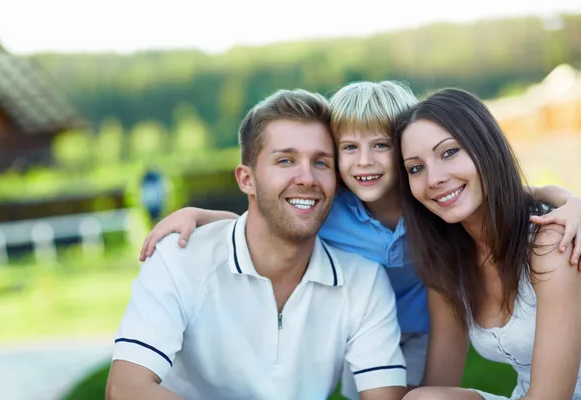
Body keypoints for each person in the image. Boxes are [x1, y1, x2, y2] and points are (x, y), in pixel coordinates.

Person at [139, 81, 581, 398]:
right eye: (348, 148)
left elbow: (509, 193)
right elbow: (271, 219)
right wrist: (201, 216)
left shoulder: (448, 218)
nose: (365, 160)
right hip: (367, 329)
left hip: (428, 329)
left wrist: (569, 199)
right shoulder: (354, 217)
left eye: (382, 147)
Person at [106, 89, 408, 400]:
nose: (306, 178)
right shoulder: (180, 257)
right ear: (246, 179)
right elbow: (125, 389)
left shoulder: (365, 282)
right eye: (286, 160)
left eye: (321, 162)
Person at [396, 88, 581, 400]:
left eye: (448, 152)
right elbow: (438, 383)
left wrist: (568, 199)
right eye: (416, 168)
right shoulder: (448, 267)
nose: (433, 179)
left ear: (485, 147)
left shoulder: (549, 244)